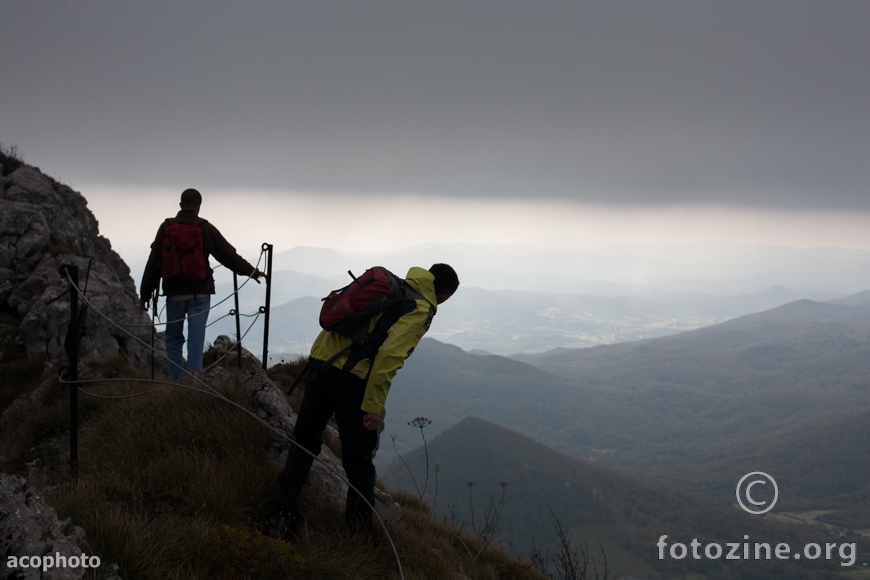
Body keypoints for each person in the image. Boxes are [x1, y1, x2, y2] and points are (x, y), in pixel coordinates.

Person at [267, 263, 459, 537]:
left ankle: (280, 512)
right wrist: (372, 407)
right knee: (358, 461)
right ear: (445, 295)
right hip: (351, 378)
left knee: (305, 440)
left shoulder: (392, 287)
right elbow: (388, 359)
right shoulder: (419, 308)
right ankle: (358, 537)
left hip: (320, 365)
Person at [139, 188, 265, 380]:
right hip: (199, 293)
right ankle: (195, 383)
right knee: (195, 340)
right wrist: (251, 271)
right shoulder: (204, 227)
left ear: (181, 206)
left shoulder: (166, 227)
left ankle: (177, 383)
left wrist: (145, 294)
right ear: (199, 207)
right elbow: (228, 256)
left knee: (173, 340)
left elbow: (154, 261)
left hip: (174, 293)